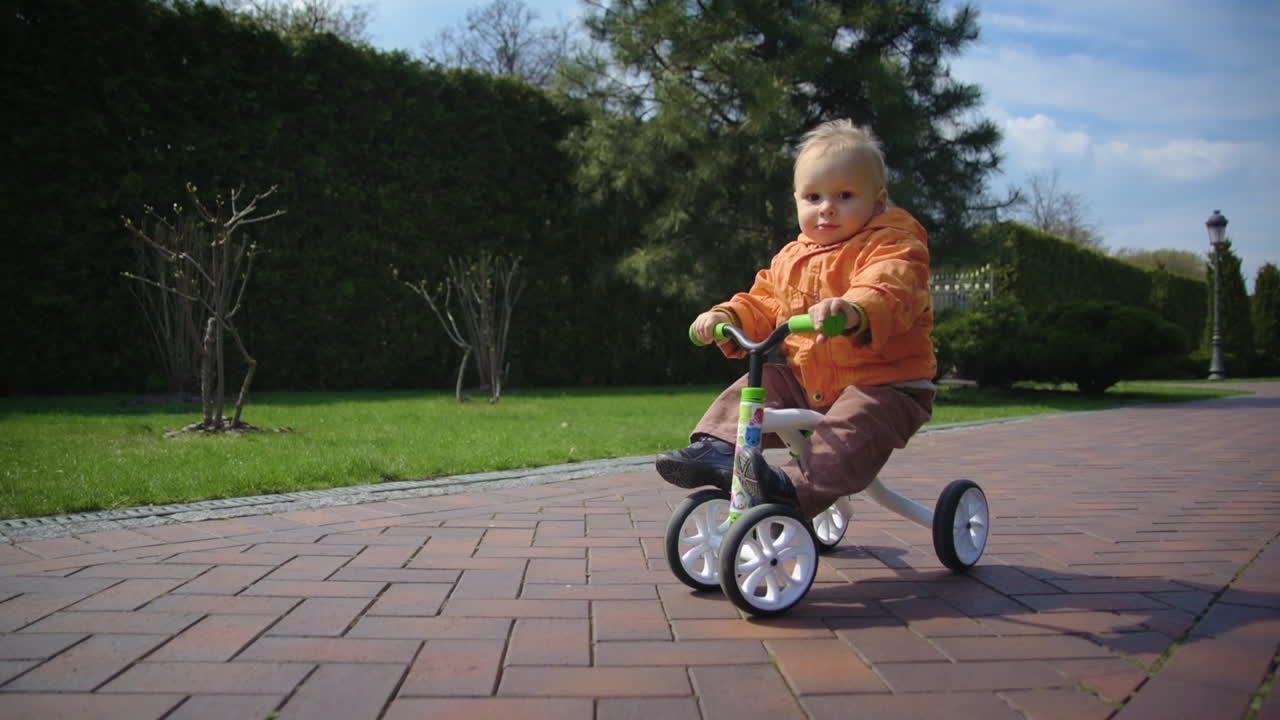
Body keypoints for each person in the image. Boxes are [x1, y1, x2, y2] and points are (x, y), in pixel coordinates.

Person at [655, 119, 937, 520]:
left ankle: (793, 490)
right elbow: (765, 301)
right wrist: (726, 314)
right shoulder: (791, 258)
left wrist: (854, 308)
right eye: (813, 196)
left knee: (853, 426)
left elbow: (890, 285)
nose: (826, 208)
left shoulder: (893, 242)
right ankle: (719, 447)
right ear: (797, 201)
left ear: (877, 201)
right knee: (763, 382)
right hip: (812, 383)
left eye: (844, 195)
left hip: (887, 385)